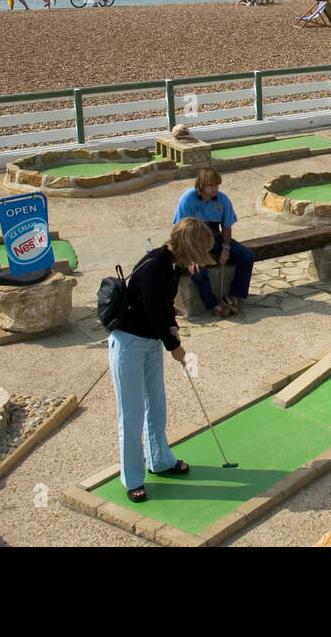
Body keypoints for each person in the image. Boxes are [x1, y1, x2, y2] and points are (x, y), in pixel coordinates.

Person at [113, 217, 216, 503]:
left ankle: (159, 460)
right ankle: (133, 479)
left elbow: (165, 305)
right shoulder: (155, 265)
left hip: (149, 342)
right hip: (128, 343)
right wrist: (174, 346)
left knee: (156, 405)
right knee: (131, 414)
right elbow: (151, 310)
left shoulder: (171, 265)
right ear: (189, 246)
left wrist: (172, 327)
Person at [172, 167, 254, 317]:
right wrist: (191, 257)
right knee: (196, 270)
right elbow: (180, 232)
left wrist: (226, 248)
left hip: (215, 238)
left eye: (216, 185)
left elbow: (227, 227)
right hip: (193, 242)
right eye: (210, 185)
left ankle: (234, 296)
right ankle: (213, 304)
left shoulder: (222, 199)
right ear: (201, 185)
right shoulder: (188, 198)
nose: (214, 189)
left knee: (247, 256)